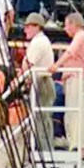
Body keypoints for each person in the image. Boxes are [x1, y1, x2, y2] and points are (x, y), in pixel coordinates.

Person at [53, 12, 84, 157]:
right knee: (76, 112)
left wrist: (55, 66)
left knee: (76, 113)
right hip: (78, 78)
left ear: (73, 24)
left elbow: (70, 53)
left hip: (78, 78)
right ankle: (77, 144)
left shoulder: (81, 36)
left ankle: (80, 146)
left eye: (66, 25)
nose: (65, 29)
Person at [23, 12, 56, 148]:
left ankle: (45, 149)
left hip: (42, 83)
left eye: (28, 27)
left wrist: (24, 79)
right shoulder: (42, 41)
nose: (25, 30)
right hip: (43, 82)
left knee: (41, 119)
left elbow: (28, 64)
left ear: (37, 27)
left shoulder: (38, 42)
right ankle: (46, 148)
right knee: (43, 118)